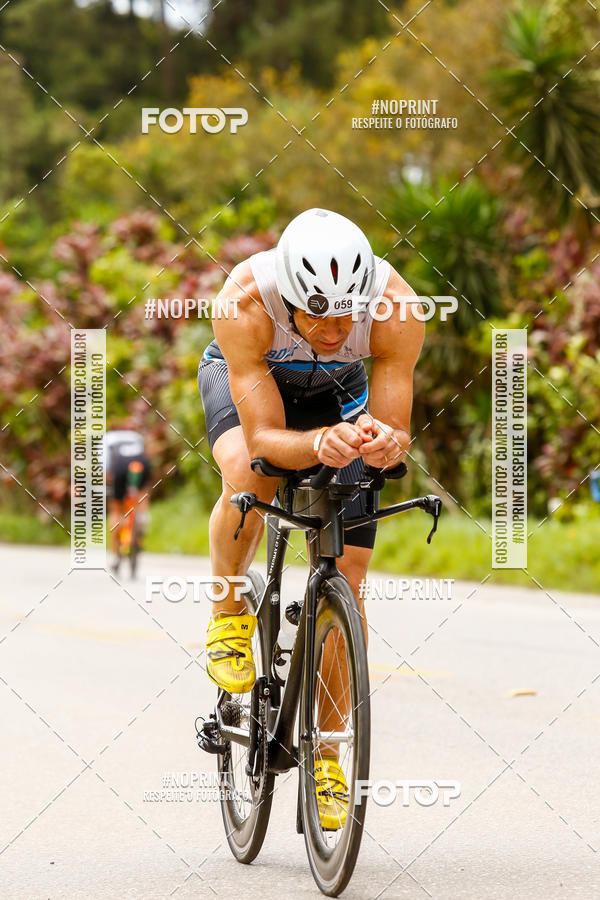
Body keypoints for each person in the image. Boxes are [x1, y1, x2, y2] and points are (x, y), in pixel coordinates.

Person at [197, 208, 424, 827]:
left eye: (346, 313)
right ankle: (227, 614)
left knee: (348, 579)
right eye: (318, 313)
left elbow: (395, 424)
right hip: (253, 386)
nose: (333, 329)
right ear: (289, 298)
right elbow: (268, 436)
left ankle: (328, 752)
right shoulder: (246, 302)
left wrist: (384, 443)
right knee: (249, 470)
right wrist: (320, 442)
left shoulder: (396, 308)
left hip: (341, 392)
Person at [103, 429, 151, 573]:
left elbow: (105, 471)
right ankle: (142, 518)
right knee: (142, 493)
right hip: (141, 463)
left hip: (119, 466)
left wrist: (113, 489)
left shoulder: (107, 438)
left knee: (116, 509)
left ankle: (115, 554)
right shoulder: (135, 436)